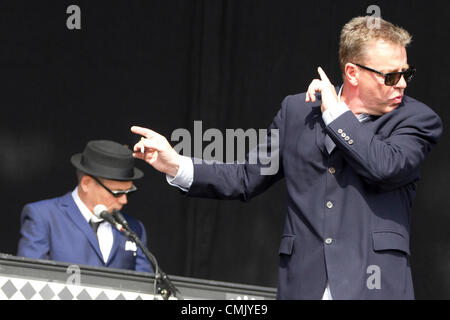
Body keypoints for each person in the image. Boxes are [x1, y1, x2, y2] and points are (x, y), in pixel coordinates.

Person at [130, 16, 442, 299]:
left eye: (406, 73)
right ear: (352, 73)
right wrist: (175, 164)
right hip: (305, 285)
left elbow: (384, 166)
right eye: (390, 76)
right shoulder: (296, 112)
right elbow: (246, 177)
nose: (401, 83)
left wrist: (335, 114)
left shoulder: (417, 119)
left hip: (375, 288)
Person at [17, 140, 153, 273]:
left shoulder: (134, 228)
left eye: (129, 193)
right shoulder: (44, 216)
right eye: (117, 193)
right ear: (86, 183)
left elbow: (146, 286)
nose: (124, 200)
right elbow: (30, 278)